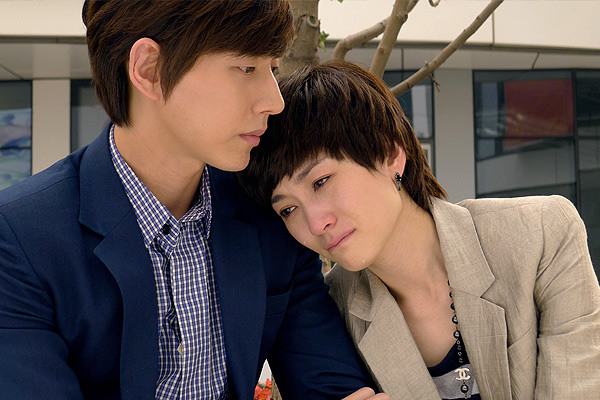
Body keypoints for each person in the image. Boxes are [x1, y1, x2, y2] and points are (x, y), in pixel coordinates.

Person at [0, 2, 389, 399]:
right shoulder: (20, 240)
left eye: (272, 69)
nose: (275, 101)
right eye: (246, 68)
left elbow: (332, 386)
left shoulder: (269, 209)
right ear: (149, 69)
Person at [239, 59, 600, 399]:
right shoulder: (328, 318)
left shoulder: (539, 235)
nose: (316, 223)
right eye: (288, 209)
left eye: (321, 182)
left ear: (389, 153)